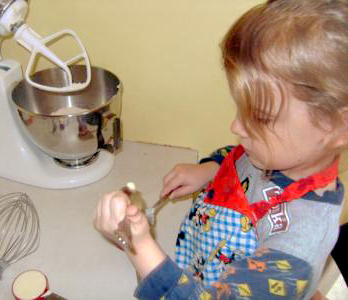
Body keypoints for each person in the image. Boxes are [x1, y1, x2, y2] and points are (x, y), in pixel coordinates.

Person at [94, 1, 348, 299]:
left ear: (336, 127)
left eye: (260, 118)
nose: (236, 127)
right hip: (204, 260)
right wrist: (211, 169)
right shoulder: (284, 153)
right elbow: (242, 159)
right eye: (240, 110)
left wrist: (137, 245)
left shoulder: (294, 255)